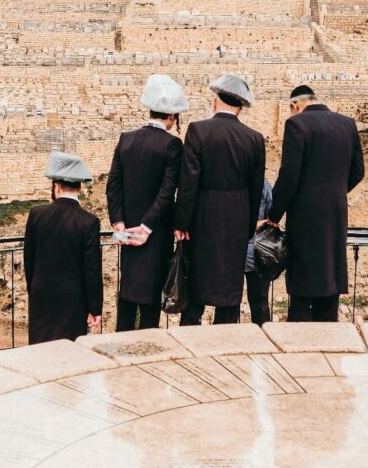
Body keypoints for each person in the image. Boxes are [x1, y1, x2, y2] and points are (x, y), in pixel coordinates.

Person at [268, 85, 365, 323]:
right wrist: (335, 193)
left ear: (295, 106)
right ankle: (328, 346)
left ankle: (300, 350)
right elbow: (358, 171)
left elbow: (289, 175)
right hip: (335, 216)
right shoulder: (347, 124)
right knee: (329, 283)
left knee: (303, 288)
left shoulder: (297, 124)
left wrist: (274, 214)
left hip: (305, 218)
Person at [175, 73, 265, 325]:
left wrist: (182, 223)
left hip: (202, 221)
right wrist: (248, 227)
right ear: (240, 108)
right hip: (236, 221)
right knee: (229, 294)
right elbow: (256, 189)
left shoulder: (198, 130)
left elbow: (188, 184)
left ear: (215, 101)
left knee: (196, 291)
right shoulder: (254, 139)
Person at [106, 74, 187, 331]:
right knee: (151, 299)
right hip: (155, 235)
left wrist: (119, 222)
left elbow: (113, 185)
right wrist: (147, 226)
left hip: (127, 232)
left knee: (127, 294)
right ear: (172, 117)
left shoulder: (126, 139)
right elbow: (167, 192)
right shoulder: (172, 145)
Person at [23, 152, 102, 344]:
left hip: (41, 293)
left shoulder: (36, 214)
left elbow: (29, 259)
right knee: (69, 351)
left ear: (56, 187)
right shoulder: (89, 221)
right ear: (79, 188)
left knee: (40, 349)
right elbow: (91, 270)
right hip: (72, 299)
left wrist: (33, 289)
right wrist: (95, 309)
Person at [244, 178, 273, 327]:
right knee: (260, 303)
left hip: (236, 250)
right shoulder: (264, 185)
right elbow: (273, 216)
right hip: (256, 251)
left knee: (228, 304)